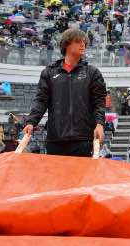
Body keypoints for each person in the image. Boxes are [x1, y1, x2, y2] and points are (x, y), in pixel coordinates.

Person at [24, 28, 107, 157]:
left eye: (84, 42)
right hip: (55, 140)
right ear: (67, 44)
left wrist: (100, 124)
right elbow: (41, 100)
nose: (83, 44)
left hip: (83, 140)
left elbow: (99, 103)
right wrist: (31, 122)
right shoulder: (49, 73)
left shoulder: (92, 73)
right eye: (78, 41)